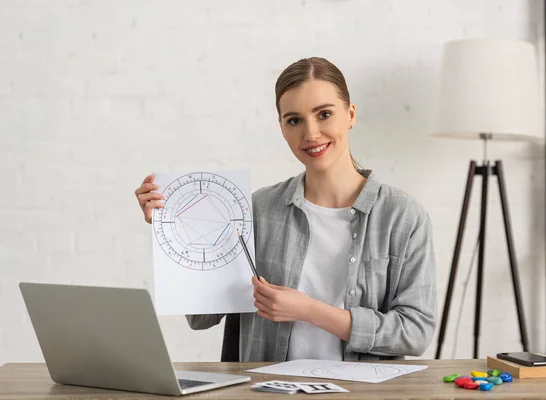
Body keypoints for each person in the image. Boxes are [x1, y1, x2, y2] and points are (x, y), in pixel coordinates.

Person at [134, 57, 437, 362]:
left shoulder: (402, 217)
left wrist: (309, 310)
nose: (311, 134)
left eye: (324, 114)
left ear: (351, 115)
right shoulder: (256, 211)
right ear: (281, 127)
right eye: (294, 120)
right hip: (266, 392)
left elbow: (415, 333)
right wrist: (175, 231)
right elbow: (201, 318)